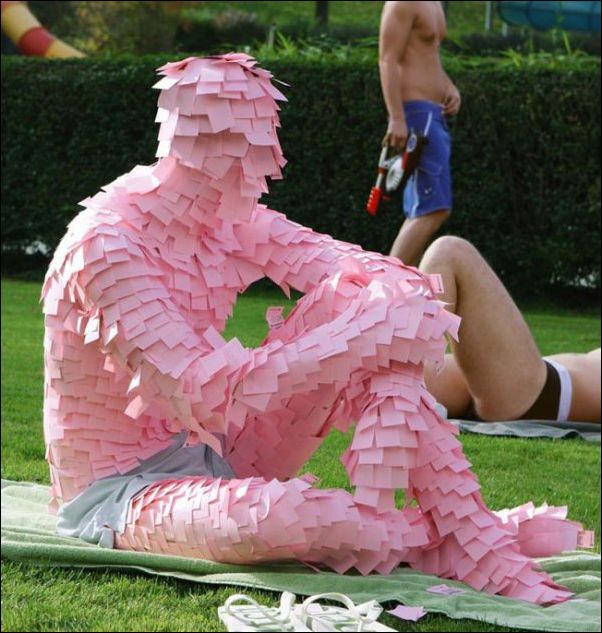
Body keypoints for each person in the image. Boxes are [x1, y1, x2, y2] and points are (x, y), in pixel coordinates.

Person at [41, 54, 580, 605]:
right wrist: (359, 339)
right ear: (191, 142)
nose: (259, 169)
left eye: (263, 147)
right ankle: (462, 534)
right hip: (123, 493)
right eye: (242, 148)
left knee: (363, 301)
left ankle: (464, 534)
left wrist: (392, 303)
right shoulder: (106, 245)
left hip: (222, 450)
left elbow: (351, 266)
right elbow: (199, 391)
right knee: (275, 520)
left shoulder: (228, 218)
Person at [420, 236, 601, 423]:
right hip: (524, 385)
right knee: (414, 374)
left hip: (540, 396)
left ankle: (409, 358)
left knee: (449, 251)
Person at [379, 1, 461, 266]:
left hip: (434, 114)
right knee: (434, 209)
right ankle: (383, 285)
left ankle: (404, 285)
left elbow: (428, 55)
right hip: (417, 114)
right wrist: (396, 117)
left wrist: (448, 85)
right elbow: (388, 59)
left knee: (422, 209)